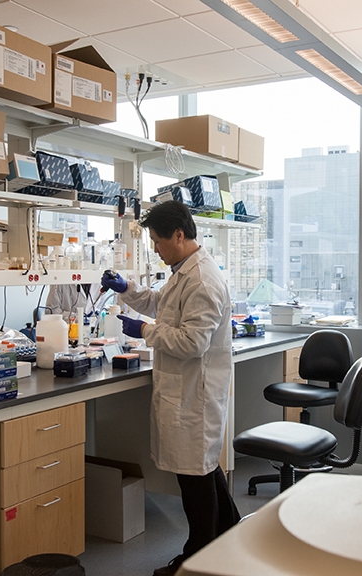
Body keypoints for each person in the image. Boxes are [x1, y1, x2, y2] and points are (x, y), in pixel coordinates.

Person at [100, 201, 239, 576]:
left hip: (196, 395)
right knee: (204, 471)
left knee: (195, 479)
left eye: (159, 242)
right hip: (187, 391)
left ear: (179, 235)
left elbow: (193, 342)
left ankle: (196, 561)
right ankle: (229, 537)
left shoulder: (203, 279)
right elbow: (163, 303)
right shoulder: (184, 271)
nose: (157, 250)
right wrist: (126, 288)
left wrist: (144, 331)